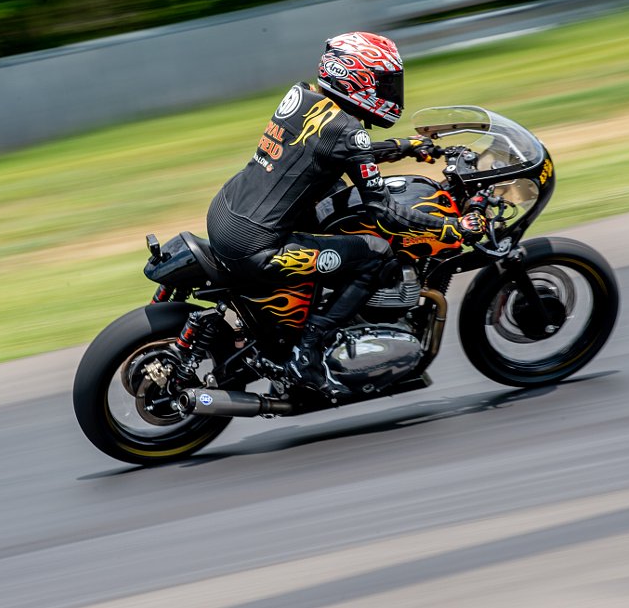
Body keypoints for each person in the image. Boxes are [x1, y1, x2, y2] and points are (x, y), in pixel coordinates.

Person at [206, 32, 487, 400]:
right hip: (256, 247)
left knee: (336, 192)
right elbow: (385, 213)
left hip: (227, 213)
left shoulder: (303, 97)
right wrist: (452, 226)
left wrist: (405, 147)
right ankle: (308, 353)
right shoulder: (348, 132)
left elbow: (335, 150)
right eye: (384, 83)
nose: (391, 92)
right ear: (357, 79)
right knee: (375, 252)